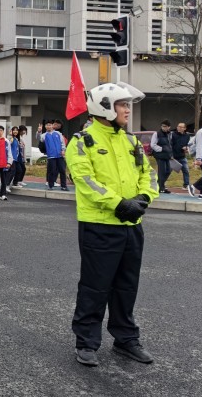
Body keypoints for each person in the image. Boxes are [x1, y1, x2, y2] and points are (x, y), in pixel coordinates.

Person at [66, 82, 159, 367]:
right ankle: (86, 342)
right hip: (99, 225)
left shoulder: (131, 142)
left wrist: (143, 199)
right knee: (95, 286)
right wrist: (119, 204)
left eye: (127, 105)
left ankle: (126, 339)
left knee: (127, 286)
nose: (127, 110)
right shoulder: (82, 141)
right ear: (104, 107)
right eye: (122, 105)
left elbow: (148, 174)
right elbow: (86, 181)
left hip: (132, 225)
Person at [150, 119, 174, 194]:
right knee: (162, 171)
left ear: (169, 127)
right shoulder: (156, 134)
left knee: (168, 170)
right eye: (163, 126)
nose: (164, 127)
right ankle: (161, 187)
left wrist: (170, 153)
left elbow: (170, 144)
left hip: (167, 155)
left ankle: (160, 184)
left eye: (165, 126)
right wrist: (162, 149)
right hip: (160, 155)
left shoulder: (170, 134)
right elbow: (153, 145)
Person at [44, 120, 68, 191]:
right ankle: (50, 185)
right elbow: (39, 138)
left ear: (52, 126)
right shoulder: (44, 135)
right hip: (51, 156)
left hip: (60, 155)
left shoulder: (58, 133)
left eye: (50, 125)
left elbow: (62, 143)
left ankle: (64, 186)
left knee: (62, 170)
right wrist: (38, 132)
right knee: (52, 171)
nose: (49, 126)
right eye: (47, 125)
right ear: (45, 126)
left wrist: (63, 150)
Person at [170, 122, 192, 189]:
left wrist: (186, 148)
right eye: (178, 126)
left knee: (186, 171)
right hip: (173, 157)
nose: (179, 128)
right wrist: (170, 155)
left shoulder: (187, 136)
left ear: (185, 128)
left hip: (182, 156)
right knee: (168, 171)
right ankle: (161, 184)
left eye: (181, 127)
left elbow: (188, 144)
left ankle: (186, 185)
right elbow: (170, 145)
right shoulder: (173, 135)